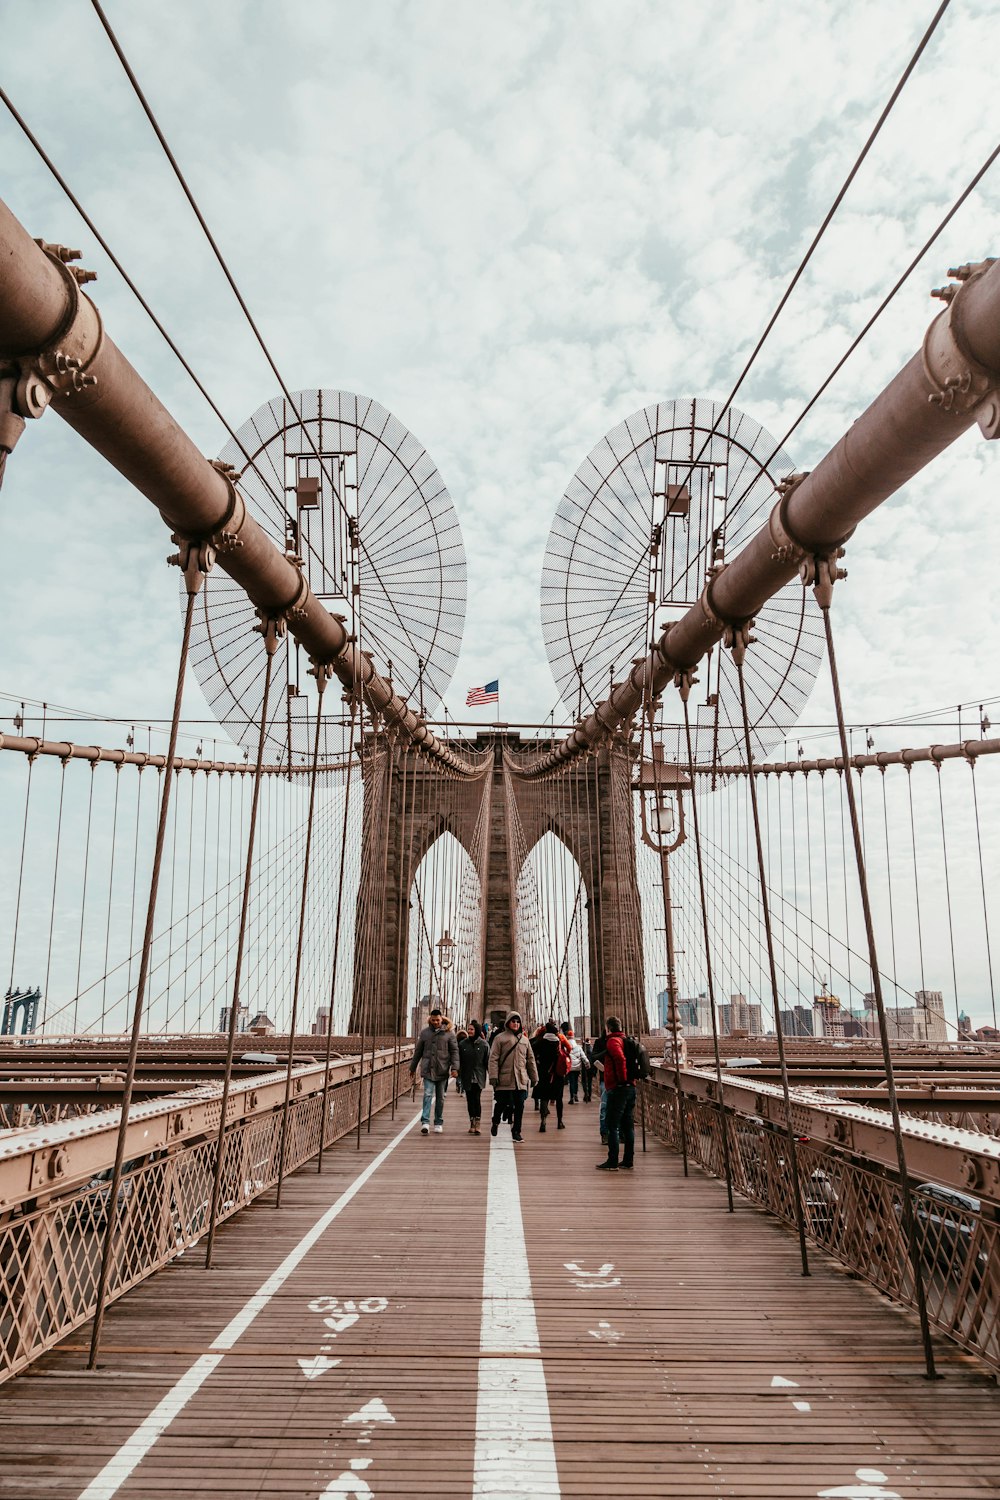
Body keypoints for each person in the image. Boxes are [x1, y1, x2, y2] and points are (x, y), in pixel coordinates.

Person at [488, 1012, 538, 1142]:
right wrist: (493, 1076)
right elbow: (493, 1058)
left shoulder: (525, 1040)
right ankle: (496, 1121)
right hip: (504, 1078)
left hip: (520, 1079)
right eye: (513, 1021)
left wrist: (534, 1077)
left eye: (518, 1022)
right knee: (501, 1103)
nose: (516, 1024)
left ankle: (516, 1132)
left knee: (520, 1106)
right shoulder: (500, 1038)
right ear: (508, 1023)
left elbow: (530, 1059)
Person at [409, 1008, 459, 1135]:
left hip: (442, 1070)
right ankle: (425, 1122)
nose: (435, 1022)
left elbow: (454, 1052)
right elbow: (418, 1052)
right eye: (433, 1020)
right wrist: (412, 1067)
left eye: (437, 1020)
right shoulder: (425, 1033)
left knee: (441, 1098)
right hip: (428, 1070)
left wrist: (455, 1068)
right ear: (430, 1019)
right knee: (427, 1094)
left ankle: (438, 1122)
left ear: (441, 1019)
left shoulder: (449, 1033)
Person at [596, 1016, 634, 1171]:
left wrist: (622, 1080)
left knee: (612, 1125)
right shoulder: (626, 1040)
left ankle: (612, 1161)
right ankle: (627, 1160)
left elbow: (620, 1059)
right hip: (630, 1088)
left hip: (619, 1089)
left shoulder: (612, 1041)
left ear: (608, 1028)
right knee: (627, 1125)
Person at [533, 1020, 570, 1133]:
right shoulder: (559, 1042)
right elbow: (568, 1051)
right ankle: (559, 1122)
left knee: (544, 1098)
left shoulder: (539, 1042)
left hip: (544, 1074)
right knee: (559, 1099)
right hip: (557, 1075)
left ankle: (543, 1122)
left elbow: (532, 1055)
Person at [459, 1020, 489, 1134]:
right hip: (467, 1076)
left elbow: (487, 1061)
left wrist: (493, 1077)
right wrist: (456, 1070)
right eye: (469, 1029)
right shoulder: (463, 1044)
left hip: (478, 1076)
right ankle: (471, 1122)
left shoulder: (484, 1045)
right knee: (469, 1100)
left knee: (476, 1099)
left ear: (476, 1030)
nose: (469, 1031)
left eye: (471, 1029)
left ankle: (478, 1123)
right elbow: (459, 1060)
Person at [565, 1027, 589, 1104]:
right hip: (577, 1067)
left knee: (571, 1081)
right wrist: (587, 1063)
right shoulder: (578, 1047)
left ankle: (571, 1096)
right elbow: (583, 1056)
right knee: (576, 1081)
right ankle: (576, 1094)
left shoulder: (565, 1047)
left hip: (569, 1066)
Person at [581, 1037, 595, 1103]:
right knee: (590, 1081)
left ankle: (586, 1093)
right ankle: (589, 1094)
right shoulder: (591, 1049)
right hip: (591, 1067)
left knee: (584, 1081)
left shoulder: (583, 1049)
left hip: (584, 1067)